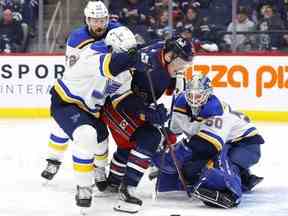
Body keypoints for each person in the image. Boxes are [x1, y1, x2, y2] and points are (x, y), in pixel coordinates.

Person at [48, 26, 148, 208]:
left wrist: (145, 111)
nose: (130, 56)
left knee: (101, 139)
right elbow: (114, 65)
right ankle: (84, 186)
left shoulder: (125, 70)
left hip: (92, 110)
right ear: (112, 48)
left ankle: (99, 171)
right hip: (66, 101)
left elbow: (122, 97)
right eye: (127, 52)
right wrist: (138, 55)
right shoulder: (92, 54)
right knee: (86, 135)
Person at [100, 34, 193, 213]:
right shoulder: (141, 60)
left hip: (137, 106)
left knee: (133, 146)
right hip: (115, 106)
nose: (183, 67)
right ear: (169, 55)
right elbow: (120, 97)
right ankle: (127, 189)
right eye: (181, 62)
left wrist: (177, 83)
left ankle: (113, 181)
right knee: (150, 138)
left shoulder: (169, 60)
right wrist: (146, 113)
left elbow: (171, 88)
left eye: (186, 63)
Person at [151, 72, 264, 208]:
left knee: (221, 160)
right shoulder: (180, 103)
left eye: (198, 95)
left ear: (208, 94)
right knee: (190, 170)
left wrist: (175, 156)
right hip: (221, 144)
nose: (194, 99)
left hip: (245, 145)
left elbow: (207, 146)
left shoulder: (216, 109)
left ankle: (231, 193)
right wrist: (159, 148)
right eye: (191, 94)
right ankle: (244, 178)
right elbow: (173, 132)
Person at [41, 1, 122, 188]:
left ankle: (99, 169)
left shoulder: (115, 29)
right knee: (62, 127)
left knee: (101, 136)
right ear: (87, 20)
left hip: (100, 95)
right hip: (78, 91)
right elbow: (75, 69)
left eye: (102, 20)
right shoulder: (77, 38)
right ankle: (53, 161)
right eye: (95, 20)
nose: (99, 25)